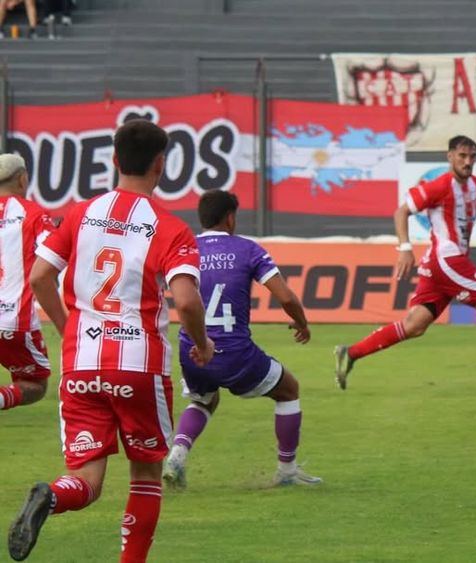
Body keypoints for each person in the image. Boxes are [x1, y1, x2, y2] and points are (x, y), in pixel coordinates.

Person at [7, 119, 214, 562]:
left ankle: (53, 495)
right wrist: (202, 342)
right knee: (145, 474)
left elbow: (41, 277)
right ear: (162, 166)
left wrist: (68, 330)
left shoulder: (79, 215)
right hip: (140, 367)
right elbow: (187, 301)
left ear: (115, 160)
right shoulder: (170, 228)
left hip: (82, 363)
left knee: (85, 478)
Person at [333, 135, 476, 394]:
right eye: (462, 156)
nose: (468, 162)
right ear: (450, 157)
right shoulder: (440, 186)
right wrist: (404, 249)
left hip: (440, 266)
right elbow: (401, 211)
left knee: (415, 325)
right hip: (447, 259)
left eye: (472, 157)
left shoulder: (475, 186)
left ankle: (351, 353)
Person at [162, 190, 320, 489]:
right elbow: (285, 296)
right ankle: (287, 470)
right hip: (234, 352)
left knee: (203, 399)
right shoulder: (248, 249)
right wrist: (301, 322)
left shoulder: (186, 248)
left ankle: (177, 456)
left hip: (192, 350)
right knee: (288, 389)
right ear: (231, 218)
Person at [0, 153, 54, 414]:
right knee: (34, 384)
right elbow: (53, 261)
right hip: (13, 320)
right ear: (22, 180)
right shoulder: (33, 215)